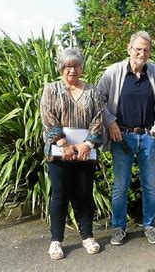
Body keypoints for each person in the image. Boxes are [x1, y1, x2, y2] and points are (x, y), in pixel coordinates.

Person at [97, 31, 155, 245]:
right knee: (121, 186)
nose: (142, 53)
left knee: (149, 185)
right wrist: (110, 122)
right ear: (129, 49)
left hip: (149, 137)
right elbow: (98, 99)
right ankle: (118, 228)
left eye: (146, 49)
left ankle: (149, 226)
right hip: (122, 137)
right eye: (138, 48)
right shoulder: (113, 72)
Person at [40, 48, 103, 260]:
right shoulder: (51, 90)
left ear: (81, 67)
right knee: (59, 196)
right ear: (60, 68)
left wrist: (87, 144)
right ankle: (56, 241)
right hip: (60, 153)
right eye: (67, 66)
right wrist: (63, 143)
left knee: (84, 194)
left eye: (76, 65)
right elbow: (47, 117)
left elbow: (99, 119)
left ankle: (87, 236)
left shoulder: (93, 91)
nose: (72, 70)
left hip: (86, 154)